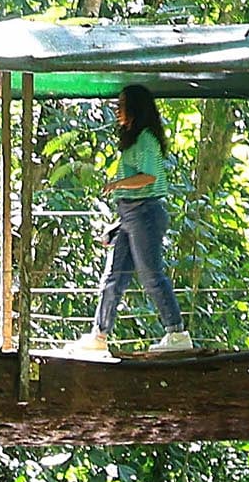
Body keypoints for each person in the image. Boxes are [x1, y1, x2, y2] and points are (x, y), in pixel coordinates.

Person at [58, 83, 190, 359]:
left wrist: (117, 184)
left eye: (121, 105)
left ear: (135, 109)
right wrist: (119, 225)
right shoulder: (133, 140)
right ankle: (99, 335)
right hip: (131, 216)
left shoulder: (145, 139)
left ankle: (177, 332)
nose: (117, 111)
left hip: (146, 213)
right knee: (113, 277)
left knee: (151, 274)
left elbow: (149, 178)